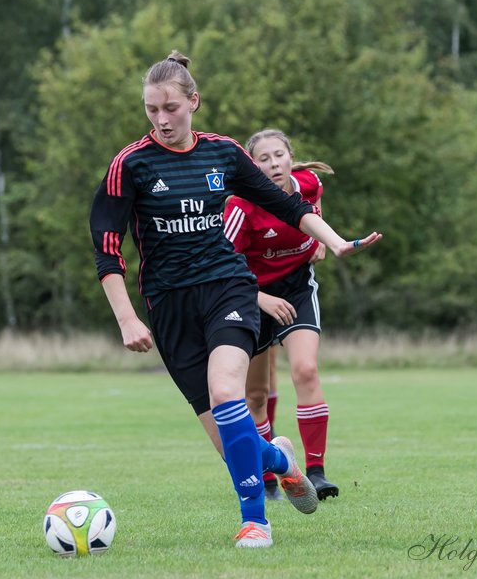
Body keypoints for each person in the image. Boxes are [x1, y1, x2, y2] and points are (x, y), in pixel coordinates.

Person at [89, 50, 381, 548]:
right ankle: (280, 459)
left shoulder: (222, 153)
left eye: (171, 108)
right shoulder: (130, 165)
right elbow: (106, 250)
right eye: (151, 110)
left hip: (229, 289)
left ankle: (255, 523)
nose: (162, 119)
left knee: (228, 393)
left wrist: (332, 241)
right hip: (169, 308)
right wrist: (126, 319)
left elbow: (287, 204)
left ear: (193, 103)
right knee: (234, 448)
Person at [225, 128, 337, 501]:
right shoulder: (240, 207)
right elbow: (225, 268)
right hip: (250, 295)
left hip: (296, 288)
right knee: (255, 395)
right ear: (251, 165)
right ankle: (271, 474)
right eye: (263, 159)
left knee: (305, 369)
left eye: (279, 155)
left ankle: (317, 473)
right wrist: (261, 299)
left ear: (290, 156)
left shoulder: (309, 183)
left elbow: (316, 211)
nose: (273, 164)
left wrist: (320, 239)